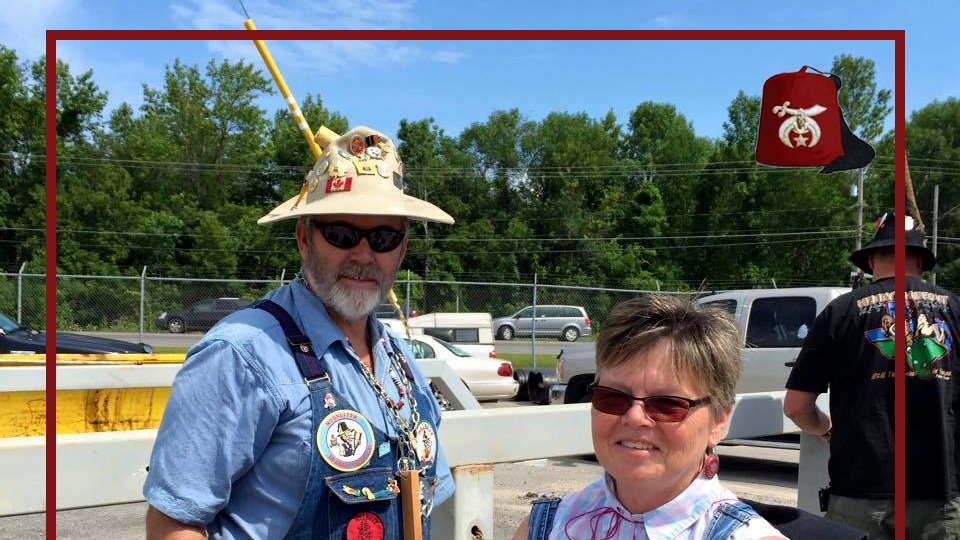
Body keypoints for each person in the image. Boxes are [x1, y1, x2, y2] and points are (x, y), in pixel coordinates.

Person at [143, 125, 456, 539]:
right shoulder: (241, 354)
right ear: (303, 238)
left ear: (401, 248)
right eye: (341, 233)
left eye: (383, 236)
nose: (363, 255)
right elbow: (172, 524)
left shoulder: (400, 360)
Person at [512, 295, 787, 539]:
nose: (634, 417)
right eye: (613, 397)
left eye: (667, 403)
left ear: (719, 421)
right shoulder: (543, 528)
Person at [784, 211, 960, 539]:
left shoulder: (840, 312)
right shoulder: (955, 309)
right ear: (922, 261)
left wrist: (825, 429)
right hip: (941, 491)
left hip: (859, 489)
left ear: (871, 261)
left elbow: (796, 407)